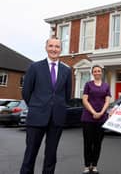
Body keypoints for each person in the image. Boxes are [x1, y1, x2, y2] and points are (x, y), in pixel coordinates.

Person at [20, 37, 72, 174]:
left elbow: (67, 95)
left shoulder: (66, 71)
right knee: (30, 153)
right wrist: (36, 106)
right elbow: (26, 91)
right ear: (46, 48)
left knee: (51, 155)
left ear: (61, 49)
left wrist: (59, 107)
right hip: (36, 116)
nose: (54, 49)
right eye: (51, 46)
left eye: (57, 47)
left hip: (57, 118)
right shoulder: (34, 67)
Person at [81, 65, 111, 174]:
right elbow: (85, 100)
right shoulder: (88, 85)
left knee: (97, 143)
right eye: (95, 71)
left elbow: (107, 101)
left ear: (101, 72)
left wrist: (101, 113)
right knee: (88, 143)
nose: (97, 72)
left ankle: (94, 165)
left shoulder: (106, 86)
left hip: (101, 119)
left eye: (99, 71)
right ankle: (86, 165)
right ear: (92, 73)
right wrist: (94, 112)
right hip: (88, 118)